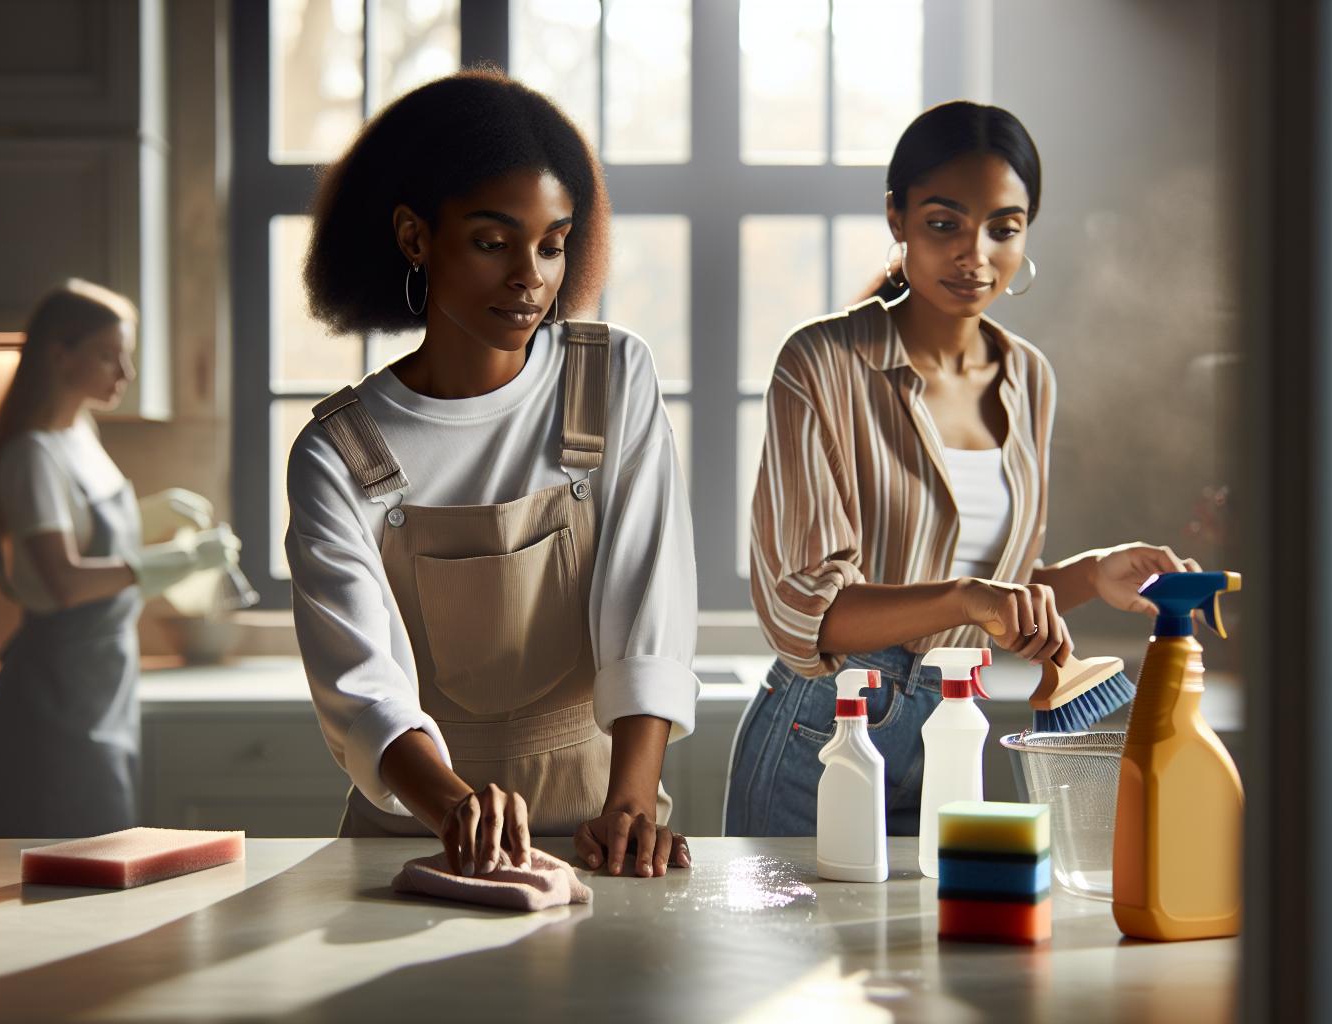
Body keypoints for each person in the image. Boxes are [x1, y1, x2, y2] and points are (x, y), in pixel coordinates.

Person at [726, 102, 1200, 836]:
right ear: (898, 217)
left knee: (938, 950)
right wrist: (969, 598)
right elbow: (806, 612)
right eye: (945, 223)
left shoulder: (1030, 379)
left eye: (1003, 229)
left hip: (952, 729)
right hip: (821, 735)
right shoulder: (820, 364)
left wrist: (1092, 576)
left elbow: (994, 593)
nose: (975, 255)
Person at [285, 70, 697, 878]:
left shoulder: (610, 378)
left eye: (552, 243)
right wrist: (453, 809)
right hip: (409, 848)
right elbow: (362, 688)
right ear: (414, 237)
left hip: (603, 837)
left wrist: (633, 803)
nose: (531, 276)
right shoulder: (339, 450)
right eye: (491, 240)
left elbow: (650, 607)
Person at [0, 279, 241, 837]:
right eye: (109, 356)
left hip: (103, 675)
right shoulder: (31, 455)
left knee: (105, 835)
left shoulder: (79, 434)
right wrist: (177, 559)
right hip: (57, 688)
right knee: (69, 850)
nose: (126, 374)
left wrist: (153, 515)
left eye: (126, 356)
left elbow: (90, 533)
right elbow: (66, 580)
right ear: (59, 354)